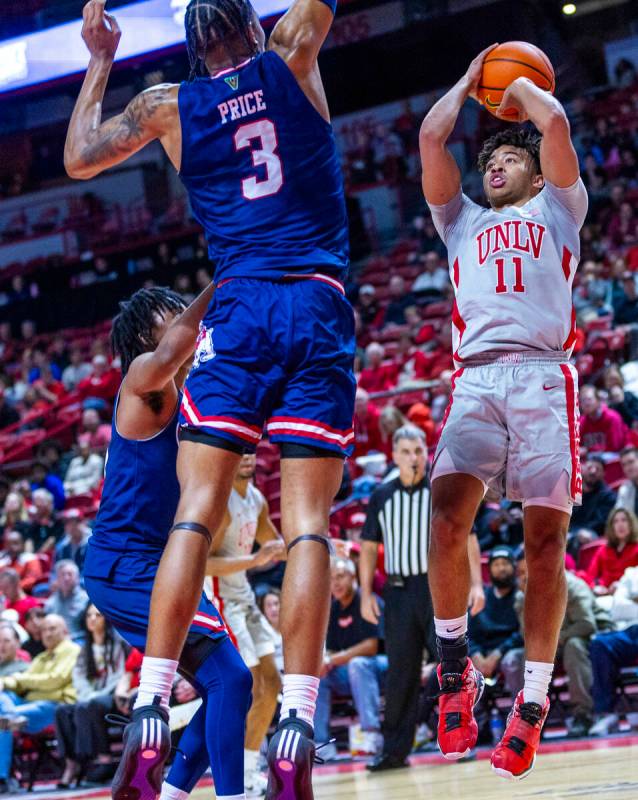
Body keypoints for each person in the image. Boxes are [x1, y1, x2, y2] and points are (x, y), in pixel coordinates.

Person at [66, 1, 355, 797]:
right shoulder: (291, 52)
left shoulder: (168, 106)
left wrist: (99, 57)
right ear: (255, 29)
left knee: (195, 510)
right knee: (306, 529)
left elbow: (82, 158)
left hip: (239, 307)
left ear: (193, 50)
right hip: (317, 300)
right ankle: (297, 720)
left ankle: (153, 705)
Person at [420, 44, 589, 779]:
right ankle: (456, 666)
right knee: (445, 514)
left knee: (544, 549)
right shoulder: (458, 220)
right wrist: (469, 82)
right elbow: (431, 139)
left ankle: (532, 700)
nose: (492, 165)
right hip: (477, 381)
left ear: (530, 167)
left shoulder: (560, 206)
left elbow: (553, 124)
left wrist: (515, 86)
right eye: (487, 159)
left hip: (545, 380)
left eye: (505, 158)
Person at [82, 286, 252, 800]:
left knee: (232, 685)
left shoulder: (192, 395)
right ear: (141, 335)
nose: (181, 317)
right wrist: (222, 281)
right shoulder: (140, 383)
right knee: (228, 679)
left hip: (165, 562)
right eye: (170, 313)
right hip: (126, 563)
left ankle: (172, 793)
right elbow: (173, 348)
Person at [359, 425, 483, 771]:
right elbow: (369, 547)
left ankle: (464, 739)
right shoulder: (381, 496)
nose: (414, 458)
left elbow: (467, 536)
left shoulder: (439, 491)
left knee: (454, 664)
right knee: (400, 673)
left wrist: (477, 584)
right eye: (407, 452)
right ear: (394, 455)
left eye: (418, 451)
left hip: (437, 587)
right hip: (398, 593)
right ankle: (394, 751)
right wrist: (366, 593)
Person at [205, 453, 285, 796]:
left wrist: (322, 544)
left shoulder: (257, 499)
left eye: (253, 449)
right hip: (222, 600)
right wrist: (254, 559)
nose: (249, 456)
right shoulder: (220, 502)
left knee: (272, 684)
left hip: (246, 598)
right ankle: (232, 772)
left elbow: (278, 546)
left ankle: (250, 773)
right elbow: (203, 564)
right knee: (251, 689)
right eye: (241, 451)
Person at [314, 557, 386, 760]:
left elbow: (371, 647)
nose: (335, 583)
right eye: (331, 579)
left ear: (353, 577)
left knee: (358, 664)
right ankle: (322, 743)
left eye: (340, 577)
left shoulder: (367, 601)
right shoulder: (333, 609)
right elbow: (331, 651)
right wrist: (325, 661)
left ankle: (371, 734)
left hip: (381, 668)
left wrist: (333, 659)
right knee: (319, 675)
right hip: (350, 672)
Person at [0, 614, 80, 795]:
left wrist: (22, 680)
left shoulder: (72, 650)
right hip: (31, 705)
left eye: (52, 629)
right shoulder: (41, 658)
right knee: (3, 699)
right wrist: (5, 682)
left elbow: (55, 680)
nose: (47, 634)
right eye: (44, 630)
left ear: (65, 630)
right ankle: (11, 716)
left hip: (56, 706)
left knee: (3, 720)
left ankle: (3, 777)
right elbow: (21, 683)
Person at [55, 604, 127, 788]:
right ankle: (72, 763)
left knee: (91, 705)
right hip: (87, 698)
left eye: (97, 615)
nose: (92, 619)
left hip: (111, 697)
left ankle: (103, 759)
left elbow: (118, 676)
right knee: (62, 711)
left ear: (106, 619)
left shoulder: (117, 645)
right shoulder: (84, 649)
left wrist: (94, 695)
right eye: (89, 616)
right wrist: (88, 695)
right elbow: (78, 678)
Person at [468, 547, 522, 681]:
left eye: (505, 563)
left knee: (511, 661)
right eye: (496, 564)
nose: (501, 568)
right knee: (462, 666)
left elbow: (524, 633)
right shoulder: (481, 597)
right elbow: (469, 633)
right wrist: (475, 654)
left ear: (514, 567)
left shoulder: (522, 595)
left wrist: (499, 653)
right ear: (490, 569)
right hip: (482, 651)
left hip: (510, 649)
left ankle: (521, 702)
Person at [568, 455, 616, 556]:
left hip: (592, 533)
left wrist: (577, 532)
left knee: (582, 538)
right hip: (570, 530)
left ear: (603, 474)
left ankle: (573, 570)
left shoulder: (608, 496)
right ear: (583, 469)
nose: (593, 471)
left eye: (598, 469)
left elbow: (599, 523)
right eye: (590, 467)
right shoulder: (572, 490)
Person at [586, 507, 638, 595]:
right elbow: (590, 575)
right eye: (616, 521)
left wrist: (622, 585)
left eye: (624, 520)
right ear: (611, 526)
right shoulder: (603, 549)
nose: (620, 525)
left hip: (627, 595)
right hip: (602, 594)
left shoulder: (636, 549)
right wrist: (594, 586)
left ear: (631, 524)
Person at [44, 561, 89, 642]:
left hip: (80, 642)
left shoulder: (86, 600)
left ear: (77, 578)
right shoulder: (50, 602)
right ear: (57, 579)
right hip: (56, 643)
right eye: (62, 575)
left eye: (70, 574)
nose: (66, 578)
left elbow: (90, 630)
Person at [579, 385, 627, 453]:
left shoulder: (612, 417)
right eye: (582, 400)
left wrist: (588, 450)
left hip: (616, 455)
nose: (586, 403)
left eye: (589, 399)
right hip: (591, 457)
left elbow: (615, 446)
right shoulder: (581, 422)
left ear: (598, 401)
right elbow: (578, 445)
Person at [616, 446, 638, 513]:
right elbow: (619, 514)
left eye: (631, 462)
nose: (628, 468)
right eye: (624, 465)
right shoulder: (624, 490)